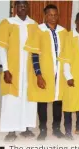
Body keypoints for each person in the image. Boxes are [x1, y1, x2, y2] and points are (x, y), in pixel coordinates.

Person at [24, 4, 68, 141]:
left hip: (59, 72)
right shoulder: (39, 30)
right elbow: (34, 55)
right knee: (42, 102)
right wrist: (38, 74)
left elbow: (67, 54)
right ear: (45, 16)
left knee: (58, 101)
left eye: (55, 15)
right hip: (45, 72)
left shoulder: (63, 31)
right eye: (50, 15)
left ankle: (56, 128)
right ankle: (42, 129)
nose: (53, 18)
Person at [0, 1, 37, 141]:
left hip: (29, 70)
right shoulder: (8, 23)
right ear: (15, 8)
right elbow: (2, 48)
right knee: (11, 100)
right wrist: (5, 69)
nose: (22, 8)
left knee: (28, 99)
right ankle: (11, 130)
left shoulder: (33, 25)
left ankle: (26, 127)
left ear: (28, 7)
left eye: (25, 6)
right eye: (19, 6)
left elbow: (37, 50)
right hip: (13, 69)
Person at [58, 11, 79, 140]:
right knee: (69, 104)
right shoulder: (69, 37)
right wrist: (68, 76)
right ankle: (67, 130)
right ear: (76, 22)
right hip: (72, 76)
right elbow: (65, 58)